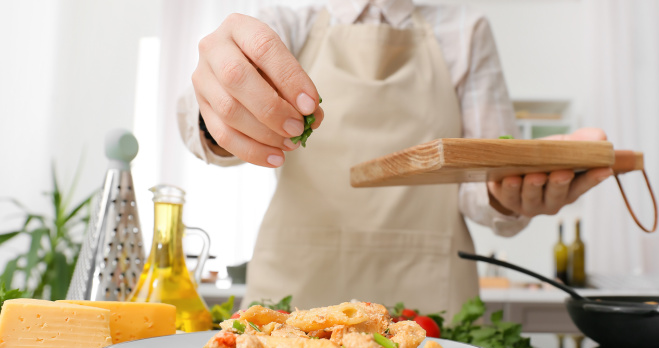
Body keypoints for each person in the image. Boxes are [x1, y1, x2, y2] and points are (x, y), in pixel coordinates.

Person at [178, 0, 612, 314]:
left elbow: (480, 187)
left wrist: (510, 193)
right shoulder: (285, 25)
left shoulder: (467, 30)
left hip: (431, 308)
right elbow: (200, 121)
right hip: (294, 295)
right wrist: (216, 120)